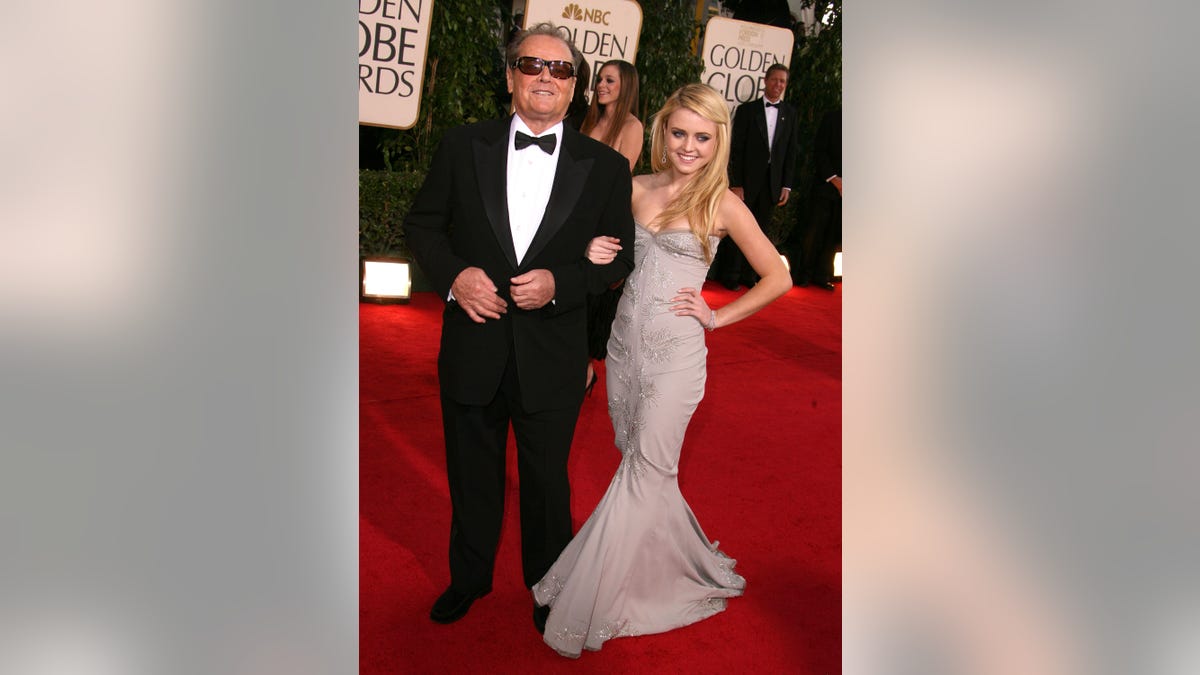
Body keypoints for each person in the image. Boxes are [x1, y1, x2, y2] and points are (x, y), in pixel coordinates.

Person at [531, 83, 791, 658]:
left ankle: (586, 597)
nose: (689, 146)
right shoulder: (632, 188)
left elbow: (779, 277)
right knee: (641, 466)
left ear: (718, 141)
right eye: (680, 133)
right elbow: (600, 255)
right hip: (625, 348)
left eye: (703, 136)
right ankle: (682, 564)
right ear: (662, 132)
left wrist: (717, 318)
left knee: (645, 470)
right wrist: (594, 253)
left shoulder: (722, 203)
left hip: (678, 356)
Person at [404, 21, 635, 633]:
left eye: (560, 71)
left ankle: (550, 587)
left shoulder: (607, 167)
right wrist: (456, 278)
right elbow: (423, 226)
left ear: (575, 87)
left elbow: (621, 260)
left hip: (552, 357)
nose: (545, 78)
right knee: (471, 476)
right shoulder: (462, 145)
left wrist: (563, 283)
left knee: (545, 485)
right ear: (510, 76)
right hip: (473, 345)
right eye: (532, 66)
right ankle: (470, 578)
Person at [577, 59, 644, 396]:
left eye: (610, 81)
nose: (601, 85)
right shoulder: (589, 121)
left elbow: (621, 180)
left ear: (625, 86)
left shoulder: (631, 127)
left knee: (595, 295)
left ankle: (585, 370)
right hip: (575, 215)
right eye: (600, 79)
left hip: (605, 218)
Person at [715, 62, 798, 291]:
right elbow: (736, 149)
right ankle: (729, 273)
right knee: (735, 227)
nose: (778, 85)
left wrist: (787, 185)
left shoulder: (790, 114)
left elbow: (791, 151)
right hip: (746, 183)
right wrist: (736, 183)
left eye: (782, 81)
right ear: (765, 81)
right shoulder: (747, 111)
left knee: (759, 230)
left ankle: (748, 275)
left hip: (772, 184)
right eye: (775, 80)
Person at [794, 107, 842, 290]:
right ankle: (804, 274)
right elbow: (820, 150)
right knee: (813, 232)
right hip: (825, 186)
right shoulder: (832, 117)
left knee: (834, 234)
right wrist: (834, 179)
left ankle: (822, 275)